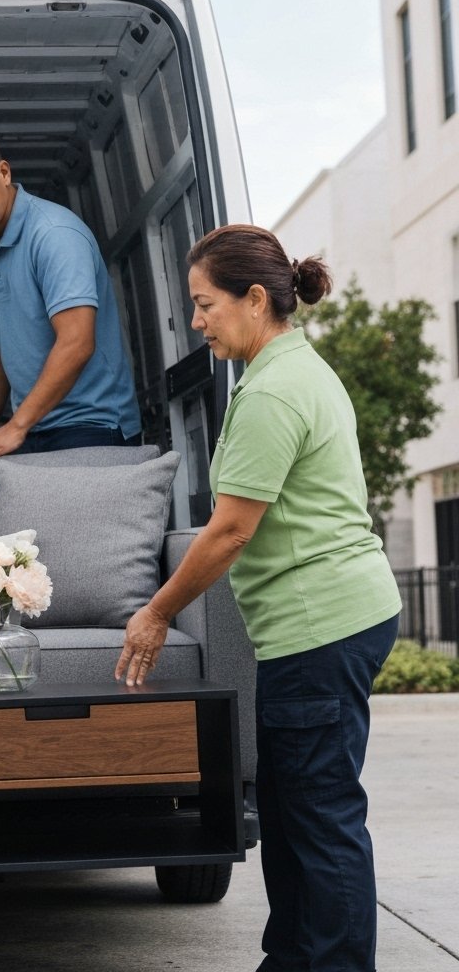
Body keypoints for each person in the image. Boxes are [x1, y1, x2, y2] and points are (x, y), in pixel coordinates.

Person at [115, 225, 401, 972]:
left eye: (205, 305)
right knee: (289, 808)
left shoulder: (273, 390)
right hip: (325, 624)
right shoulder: (295, 371)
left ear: (253, 298)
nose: (198, 321)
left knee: (321, 816)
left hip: (321, 627)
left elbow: (229, 531)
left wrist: (153, 614)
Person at [0, 117, 141, 458]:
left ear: (4, 173)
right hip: (31, 427)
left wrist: (16, 427)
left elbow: (77, 342)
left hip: (92, 425)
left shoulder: (54, 235)